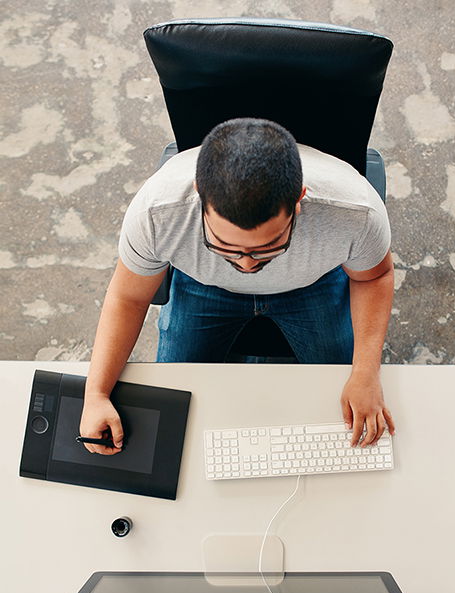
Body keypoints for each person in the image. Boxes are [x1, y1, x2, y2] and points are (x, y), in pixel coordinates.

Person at [80, 118, 395, 455]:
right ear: (200, 196)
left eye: (268, 245)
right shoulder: (156, 213)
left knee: (344, 405)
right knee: (171, 407)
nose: (247, 265)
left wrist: (365, 372)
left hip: (312, 285)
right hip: (204, 285)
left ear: (299, 199)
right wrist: (96, 395)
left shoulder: (354, 211)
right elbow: (128, 297)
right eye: (226, 246)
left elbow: (374, 276)